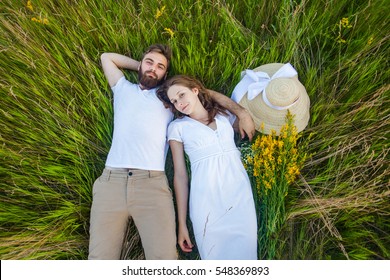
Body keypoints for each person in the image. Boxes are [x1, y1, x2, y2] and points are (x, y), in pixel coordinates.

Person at [88, 44, 255, 260]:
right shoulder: (123, 88)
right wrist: (143, 66)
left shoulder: (167, 99)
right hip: (111, 182)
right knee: (99, 261)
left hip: (151, 184)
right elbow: (106, 57)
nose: (153, 69)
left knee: (165, 263)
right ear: (141, 63)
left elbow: (203, 93)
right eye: (149, 62)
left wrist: (242, 113)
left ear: (166, 75)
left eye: (160, 67)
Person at [157, 75, 258, 260]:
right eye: (174, 101)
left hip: (239, 195)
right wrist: (182, 224)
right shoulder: (177, 127)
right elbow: (180, 176)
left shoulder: (224, 117)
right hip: (206, 201)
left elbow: (225, 104)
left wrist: (243, 113)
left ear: (195, 90)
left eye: (182, 95)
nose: (180, 103)